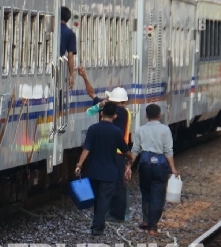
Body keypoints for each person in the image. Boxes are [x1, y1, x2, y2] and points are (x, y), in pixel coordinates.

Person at [78, 66, 132, 222]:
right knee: (117, 184)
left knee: (108, 184)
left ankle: (108, 213)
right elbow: (93, 94)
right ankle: (115, 214)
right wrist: (85, 77)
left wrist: (85, 78)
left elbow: (92, 95)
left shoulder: (117, 111)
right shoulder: (125, 112)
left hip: (108, 152)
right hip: (119, 154)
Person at [75, 102, 134, 235]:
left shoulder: (93, 129)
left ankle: (97, 224)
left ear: (101, 113)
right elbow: (125, 150)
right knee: (104, 199)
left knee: (97, 198)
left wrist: (79, 164)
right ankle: (97, 227)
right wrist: (131, 158)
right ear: (114, 116)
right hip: (110, 171)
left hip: (94, 171)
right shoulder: (117, 132)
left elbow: (86, 149)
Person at [129, 103, 179, 236]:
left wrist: (128, 166)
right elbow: (168, 151)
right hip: (160, 166)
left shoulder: (140, 130)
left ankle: (146, 220)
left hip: (145, 164)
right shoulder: (165, 130)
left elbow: (134, 151)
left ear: (146, 116)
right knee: (158, 195)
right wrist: (173, 168)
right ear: (159, 115)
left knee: (146, 193)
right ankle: (152, 226)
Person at [59, 6, 77, 87]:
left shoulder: (53, 29)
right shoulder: (70, 33)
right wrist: (71, 75)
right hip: (58, 70)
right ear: (68, 18)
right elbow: (70, 56)